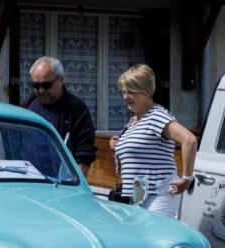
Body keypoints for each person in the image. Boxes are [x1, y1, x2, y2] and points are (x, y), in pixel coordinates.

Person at [109, 64, 197, 218]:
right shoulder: (133, 121)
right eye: (123, 92)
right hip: (138, 193)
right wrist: (117, 146)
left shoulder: (156, 116)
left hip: (159, 194)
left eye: (131, 92)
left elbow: (189, 140)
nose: (125, 97)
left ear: (146, 91)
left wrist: (186, 179)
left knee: (155, 237)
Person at [23, 56, 96, 176]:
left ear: (61, 79)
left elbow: (84, 155)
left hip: (59, 183)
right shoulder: (29, 103)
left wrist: (73, 186)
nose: (40, 90)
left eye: (46, 85)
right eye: (35, 85)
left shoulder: (76, 108)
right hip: (28, 179)